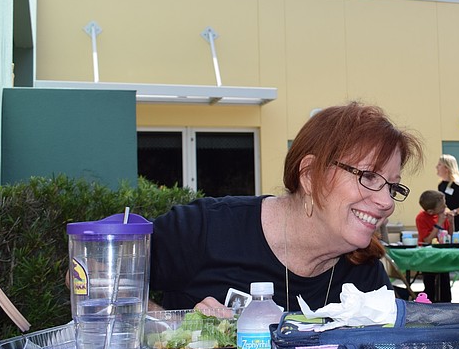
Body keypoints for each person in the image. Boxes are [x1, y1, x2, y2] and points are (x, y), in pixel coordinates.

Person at [148, 102, 424, 312]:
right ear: (309, 175)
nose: (387, 202)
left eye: (392, 186)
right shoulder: (204, 228)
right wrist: (172, 327)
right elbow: (106, 277)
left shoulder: (363, 273)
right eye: (369, 176)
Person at [415, 190, 454, 302]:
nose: (445, 206)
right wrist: (438, 224)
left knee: (444, 284)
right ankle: (429, 306)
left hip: (442, 256)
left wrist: (451, 223)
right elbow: (427, 240)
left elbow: (449, 237)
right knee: (430, 286)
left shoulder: (442, 216)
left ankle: (446, 306)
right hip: (428, 258)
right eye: (442, 205)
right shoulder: (421, 218)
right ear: (431, 211)